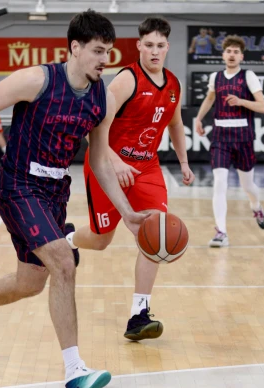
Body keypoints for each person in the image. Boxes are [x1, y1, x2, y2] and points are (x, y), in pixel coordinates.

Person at [0, 10, 148, 388]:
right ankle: (75, 373)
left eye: (108, 52)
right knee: (64, 262)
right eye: (97, 51)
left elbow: (100, 160)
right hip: (19, 186)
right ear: (75, 48)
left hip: (55, 192)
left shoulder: (101, 98)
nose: (104, 60)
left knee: (30, 283)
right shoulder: (37, 80)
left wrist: (126, 213)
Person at [66, 17, 195, 341]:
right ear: (139, 45)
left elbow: (175, 124)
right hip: (107, 165)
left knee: (154, 232)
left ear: (168, 47)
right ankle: (69, 240)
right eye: (148, 45)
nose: (155, 51)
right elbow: (94, 126)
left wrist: (183, 161)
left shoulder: (173, 85)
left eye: (160, 45)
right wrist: (116, 161)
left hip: (147, 168)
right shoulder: (126, 81)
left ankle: (139, 314)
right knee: (101, 240)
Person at [195, 35, 264, 248]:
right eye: (229, 51)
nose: (232, 55)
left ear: (241, 57)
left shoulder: (248, 76)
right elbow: (210, 98)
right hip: (220, 137)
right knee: (219, 182)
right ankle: (221, 231)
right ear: (223, 55)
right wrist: (199, 118)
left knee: (248, 186)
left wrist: (241, 101)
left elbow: (262, 107)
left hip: (243, 137)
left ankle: (256, 206)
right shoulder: (216, 77)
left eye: (236, 52)